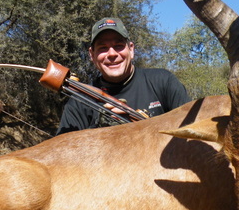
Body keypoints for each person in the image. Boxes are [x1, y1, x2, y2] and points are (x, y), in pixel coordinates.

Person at [56, 17, 190, 135]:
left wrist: (144, 125)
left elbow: (192, 130)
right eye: (103, 48)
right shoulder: (79, 100)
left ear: (131, 49)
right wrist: (98, 131)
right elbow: (63, 153)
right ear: (92, 55)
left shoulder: (162, 80)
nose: (112, 54)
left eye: (118, 45)